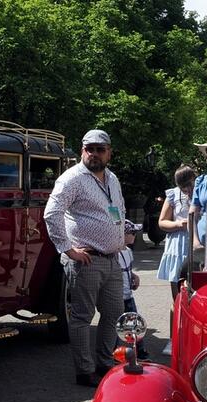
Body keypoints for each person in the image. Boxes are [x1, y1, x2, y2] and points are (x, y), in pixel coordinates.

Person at [44, 129, 127, 388]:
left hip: (112, 258)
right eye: (89, 148)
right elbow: (52, 214)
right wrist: (68, 250)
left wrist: (121, 239)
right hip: (86, 260)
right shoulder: (72, 178)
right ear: (82, 150)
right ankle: (84, 370)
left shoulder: (111, 178)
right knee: (82, 316)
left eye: (99, 149)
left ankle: (105, 363)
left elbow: (117, 211)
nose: (94, 153)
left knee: (114, 312)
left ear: (109, 152)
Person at [156, 165, 197, 301]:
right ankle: (177, 312)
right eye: (182, 187)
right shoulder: (173, 194)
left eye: (190, 186)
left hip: (196, 242)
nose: (187, 190)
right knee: (177, 289)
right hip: (177, 244)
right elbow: (162, 222)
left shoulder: (202, 191)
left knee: (196, 285)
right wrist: (179, 224)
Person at [118, 221, 148, 360]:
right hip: (118, 296)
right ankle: (114, 353)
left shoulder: (129, 252)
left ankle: (139, 352)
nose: (135, 235)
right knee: (117, 326)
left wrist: (134, 276)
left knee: (135, 324)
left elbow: (129, 270)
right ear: (121, 234)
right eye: (132, 233)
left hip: (128, 295)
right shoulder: (115, 253)